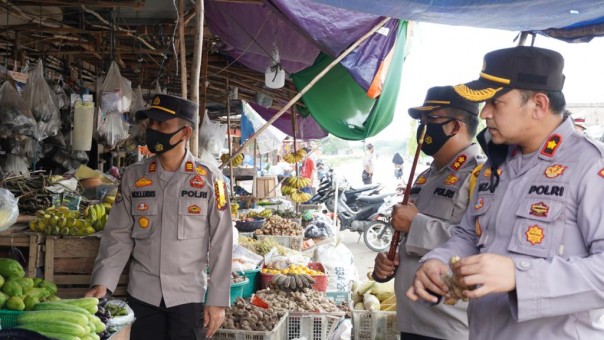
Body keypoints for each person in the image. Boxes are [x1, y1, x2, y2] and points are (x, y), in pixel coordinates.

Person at [408, 46, 604, 339]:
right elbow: (469, 236)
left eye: (496, 103)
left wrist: (520, 277)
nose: (485, 113)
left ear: (538, 104)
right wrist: (438, 260)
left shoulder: (589, 166)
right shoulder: (496, 165)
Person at [86, 94, 233, 340]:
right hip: (143, 296)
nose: (153, 130)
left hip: (189, 298)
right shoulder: (133, 176)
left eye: (162, 125)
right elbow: (118, 235)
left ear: (185, 133)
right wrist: (103, 282)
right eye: (151, 123)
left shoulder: (210, 179)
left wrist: (217, 301)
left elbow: (222, 242)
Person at [372, 86, 481, 340]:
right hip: (410, 321)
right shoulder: (423, 177)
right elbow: (410, 244)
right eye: (421, 122)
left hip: (451, 326)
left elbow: (480, 243)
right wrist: (388, 264)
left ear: (455, 126)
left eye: (430, 120)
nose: (423, 129)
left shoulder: (480, 176)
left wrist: (416, 224)